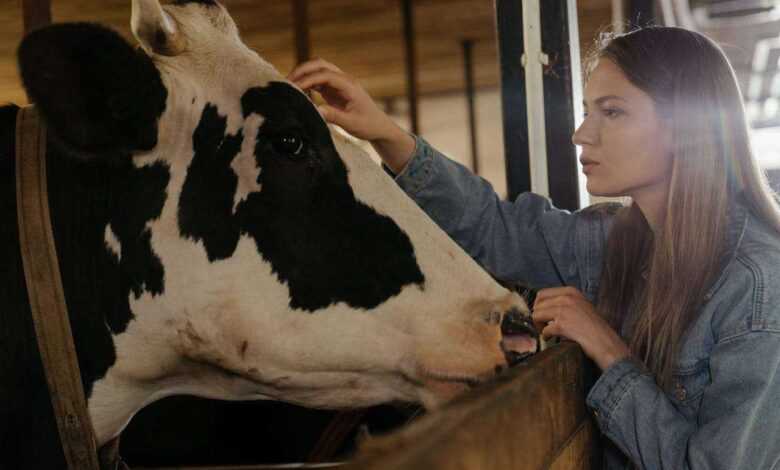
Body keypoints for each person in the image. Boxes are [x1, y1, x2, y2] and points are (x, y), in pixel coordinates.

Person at [288, 26, 780, 470]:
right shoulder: (616, 238)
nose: (581, 133)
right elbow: (494, 228)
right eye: (589, 111)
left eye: (613, 111)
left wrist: (608, 350)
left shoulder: (757, 283)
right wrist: (387, 136)